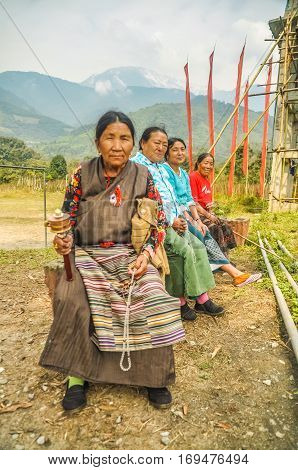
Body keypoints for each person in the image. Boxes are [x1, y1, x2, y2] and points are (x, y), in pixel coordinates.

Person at [40, 111, 185, 412]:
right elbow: (66, 217)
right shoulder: (81, 174)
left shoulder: (143, 176)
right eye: (110, 137)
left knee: (154, 296)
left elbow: (157, 223)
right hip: (87, 254)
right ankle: (77, 377)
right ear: (98, 143)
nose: (117, 145)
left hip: (129, 255)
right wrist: (63, 238)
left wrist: (146, 255)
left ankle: (154, 376)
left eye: (124, 138)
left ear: (133, 144)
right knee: (72, 298)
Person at [132, 127, 224, 319]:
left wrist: (183, 219)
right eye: (157, 143)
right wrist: (169, 221)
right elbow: (143, 205)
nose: (161, 148)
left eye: (164, 145)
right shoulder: (137, 167)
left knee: (199, 246)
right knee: (182, 251)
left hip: (174, 221)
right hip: (156, 226)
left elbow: (175, 199)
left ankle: (202, 299)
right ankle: (179, 300)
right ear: (143, 143)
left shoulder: (158, 167)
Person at [165, 139, 262, 287]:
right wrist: (196, 218)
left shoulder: (183, 174)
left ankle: (230, 269)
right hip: (175, 217)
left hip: (189, 215)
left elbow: (189, 199)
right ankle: (228, 270)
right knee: (207, 231)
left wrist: (197, 220)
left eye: (182, 149)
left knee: (212, 227)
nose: (180, 153)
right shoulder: (166, 172)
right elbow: (174, 202)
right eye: (175, 150)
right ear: (167, 153)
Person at [189, 152, 237, 256]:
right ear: (198, 163)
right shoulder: (193, 177)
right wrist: (209, 216)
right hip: (195, 215)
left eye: (211, 164)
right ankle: (219, 259)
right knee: (215, 227)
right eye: (206, 163)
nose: (209, 166)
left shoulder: (206, 179)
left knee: (225, 224)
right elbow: (194, 203)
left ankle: (225, 256)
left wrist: (211, 207)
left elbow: (206, 201)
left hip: (205, 213)